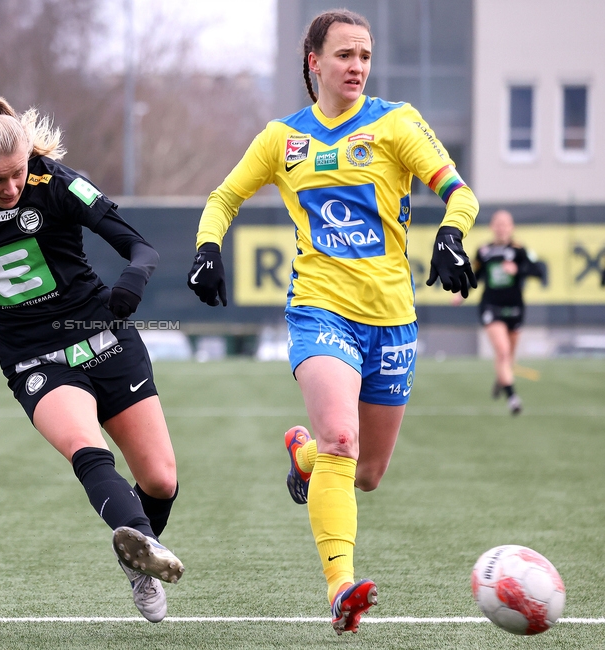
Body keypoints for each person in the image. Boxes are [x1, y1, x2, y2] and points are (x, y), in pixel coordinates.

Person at [186, 9, 478, 635]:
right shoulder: (281, 138)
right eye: (345, 55)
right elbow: (224, 197)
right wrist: (209, 246)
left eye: (366, 56)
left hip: (393, 319)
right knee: (345, 440)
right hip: (319, 309)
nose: (357, 67)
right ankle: (340, 588)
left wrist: (452, 235)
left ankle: (304, 456)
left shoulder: (395, 122)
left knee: (366, 473)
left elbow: (460, 192)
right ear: (314, 62)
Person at [0, 97, 184, 622]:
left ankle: (137, 560)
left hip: (103, 336)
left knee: (161, 481)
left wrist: (132, 280)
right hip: (34, 354)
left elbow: (140, 247)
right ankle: (140, 546)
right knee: (88, 450)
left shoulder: (58, 182)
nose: (11, 188)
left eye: (18, 173)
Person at [453, 209, 547, 415]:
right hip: (491, 306)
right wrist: (462, 293)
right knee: (502, 351)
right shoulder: (484, 251)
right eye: (498, 223)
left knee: (508, 358)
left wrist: (518, 270)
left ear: (511, 227)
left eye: (506, 223)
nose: (502, 227)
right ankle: (513, 398)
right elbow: (474, 275)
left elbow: (538, 271)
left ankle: (501, 379)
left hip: (515, 307)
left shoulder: (520, 250)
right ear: (492, 227)